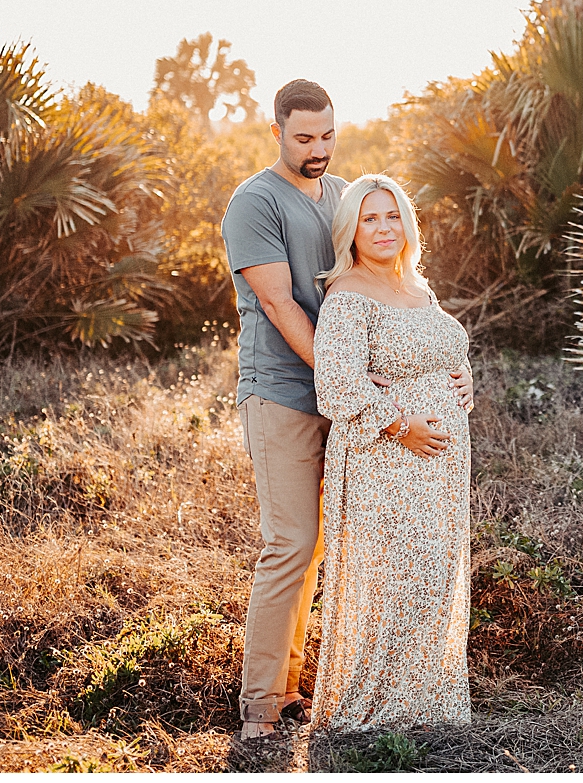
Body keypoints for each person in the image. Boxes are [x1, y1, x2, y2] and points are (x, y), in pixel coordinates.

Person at [221, 82, 468, 741]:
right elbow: (280, 304)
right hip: (282, 393)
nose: (319, 149)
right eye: (305, 138)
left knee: (334, 542)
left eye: (328, 135)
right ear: (277, 131)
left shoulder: (341, 196)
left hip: (352, 407)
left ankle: (303, 687)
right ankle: (262, 707)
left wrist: (438, 367)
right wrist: (343, 372)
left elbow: (388, 286)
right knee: (291, 543)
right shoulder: (255, 201)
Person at [310, 174, 473, 731]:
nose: (383, 229)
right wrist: (402, 425)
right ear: (350, 230)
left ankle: (425, 698)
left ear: (407, 224)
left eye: (392, 216)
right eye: (369, 219)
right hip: (387, 464)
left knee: (434, 574)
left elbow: (442, 354)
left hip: (442, 465)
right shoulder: (347, 295)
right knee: (395, 577)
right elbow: (337, 386)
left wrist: (465, 380)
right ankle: (383, 708)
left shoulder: (419, 289)